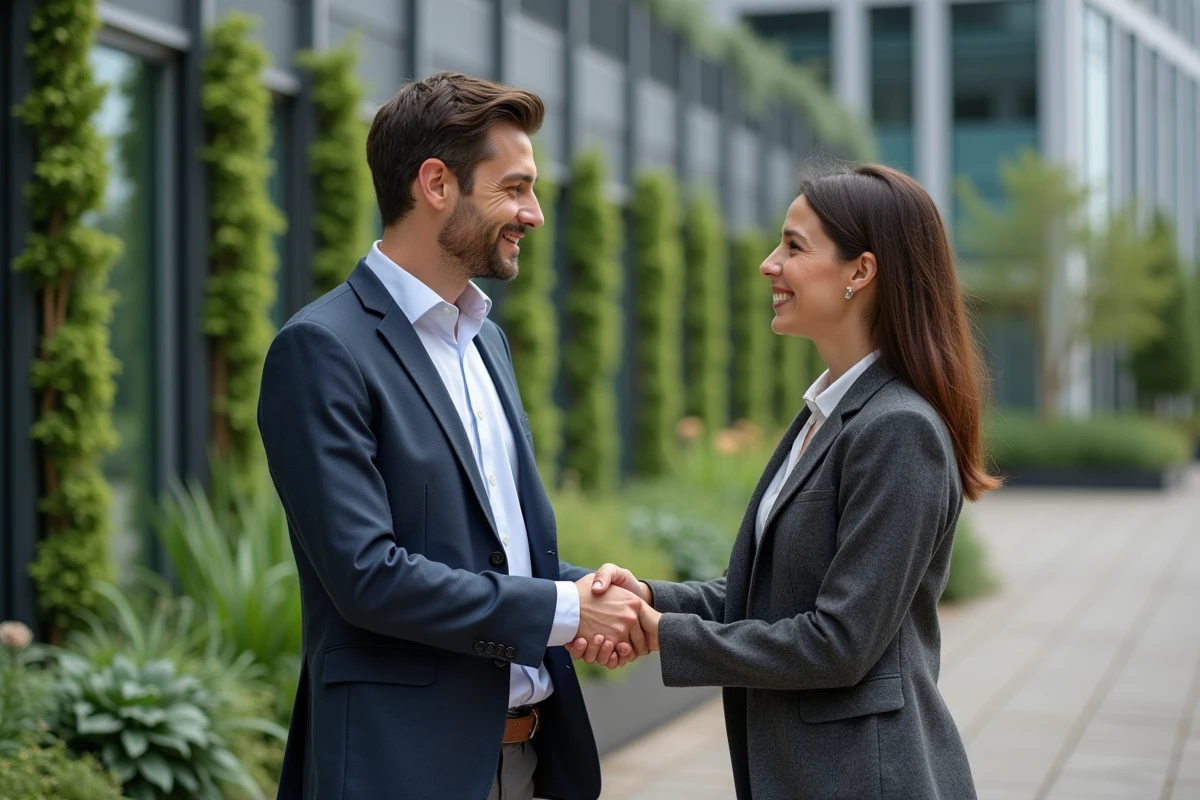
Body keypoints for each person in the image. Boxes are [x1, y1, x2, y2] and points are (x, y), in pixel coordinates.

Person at [258, 72, 645, 800]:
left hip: (533, 763)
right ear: (437, 183)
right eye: (516, 187)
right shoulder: (321, 349)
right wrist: (565, 613)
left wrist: (589, 593)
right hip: (401, 770)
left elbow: (492, 555)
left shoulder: (486, 341)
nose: (533, 213)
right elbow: (368, 576)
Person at [574, 163, 1000, 799]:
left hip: (864, 777)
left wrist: (660, 635)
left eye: (794, 247)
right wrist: (651, 599)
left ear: (861, 271)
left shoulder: (897, 429)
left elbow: (839, 642)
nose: (769, 264)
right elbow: (771, 601)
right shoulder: (827, 412)